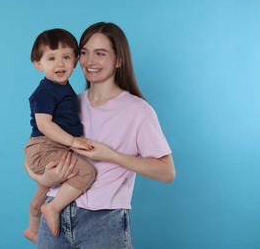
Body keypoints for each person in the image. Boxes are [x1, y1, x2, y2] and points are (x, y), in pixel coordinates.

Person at [24, 22, 176, 249]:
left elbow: (167, 172)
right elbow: (35, 151)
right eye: (84, 52)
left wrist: (111, 156)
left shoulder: (137, 110)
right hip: (53, 214)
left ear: (119, 60)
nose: (89, 61)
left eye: (100, 53)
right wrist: (42, 179)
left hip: (103, 222)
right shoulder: (69, 103)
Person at [23, 28, 97, 244]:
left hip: (52, 147)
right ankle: (52, 208)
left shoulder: (64, 88)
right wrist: (73, 141)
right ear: (39, 64)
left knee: (46, 185)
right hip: (44, 147)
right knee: (86, 173)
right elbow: (44, 125)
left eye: (66, 57)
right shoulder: (45, 91)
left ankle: (32, 228)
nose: (60, 64)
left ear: (75, 61)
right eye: (51, 58)